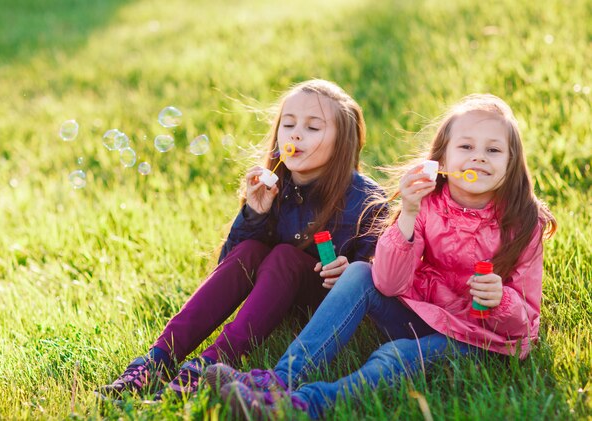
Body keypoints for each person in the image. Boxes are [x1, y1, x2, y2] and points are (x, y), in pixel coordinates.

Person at [209, 94, 557, 419]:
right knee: (360, 273)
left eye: (493, 150)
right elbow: (388, 282)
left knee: (394, 356)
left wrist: (502, 301)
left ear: (512, 163)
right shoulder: (425, 204)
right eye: (466, 146)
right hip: (423, 317)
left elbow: (525, 328)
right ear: (442, 160)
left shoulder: (523, 223)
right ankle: (280, 379)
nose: (478, 157)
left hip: (479, 340)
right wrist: (407, 211)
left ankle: (303, 404)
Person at [96, 79, 386, 401]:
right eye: (288, 124)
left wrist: (353, 272)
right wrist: (254, 213)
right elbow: (230, 266)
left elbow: (381, 278)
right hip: (273, 297)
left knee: (285, 257)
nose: (296, 134)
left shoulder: (366, 199)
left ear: (342, 142)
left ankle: (212, 363)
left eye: (313, 128)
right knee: (251, 248)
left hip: (323, 308)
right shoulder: (275, 186)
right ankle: (158, 358)